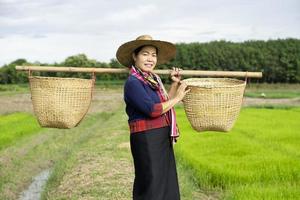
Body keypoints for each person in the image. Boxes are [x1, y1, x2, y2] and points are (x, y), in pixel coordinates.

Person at [116, 35, 189, 200]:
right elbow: (153, 110)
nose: (150, 59)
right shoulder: (133, 82)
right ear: (135, 56)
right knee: (151, 181)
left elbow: (164, 103)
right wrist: (178, 98)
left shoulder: (153, 80)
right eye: (145, 54)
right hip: (146, 139)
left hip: (161, 136)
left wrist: (175, 84)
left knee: (166, 180)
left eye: (153, 55)